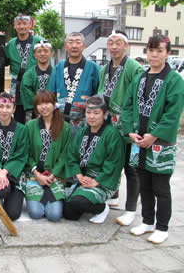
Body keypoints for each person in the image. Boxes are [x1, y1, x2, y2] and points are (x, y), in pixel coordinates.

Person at [122, 35, 184, 244]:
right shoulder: (140, 77)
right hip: (138, 141)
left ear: (168, 53)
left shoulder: (174, 79)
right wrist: (130, 131)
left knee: (161, 187)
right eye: (151, 50)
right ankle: (147, 221)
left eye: (159, 51)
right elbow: (128, 106)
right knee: (144, 184)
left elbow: (172, 113)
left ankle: (162, 227)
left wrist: (154, 135)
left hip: (160, 143)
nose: (154, 55)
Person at [97, 30, 144, 222]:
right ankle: (113, 195)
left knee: (131, 167)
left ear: (126, 46)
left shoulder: (134, 68)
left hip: (130, 125)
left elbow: (140, 98)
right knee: (112, 161)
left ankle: (131, 209)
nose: (114, 47)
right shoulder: (104, 69)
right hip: (109, 124)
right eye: (111, 43)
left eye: (118, 43)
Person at [64, 95, 125, 223]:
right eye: (88, 112)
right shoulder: (83, 132)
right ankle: (84, 200)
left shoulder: (112, 135)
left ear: (105, 114)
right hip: (83, 178)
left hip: (102, 181)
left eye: (96, 113)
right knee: (68, 213)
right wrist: (79, 176)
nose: (91, 116)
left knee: (77, 202)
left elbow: (114, 163)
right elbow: (72, 155)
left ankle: (101, 208)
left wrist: (96, 181)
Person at [24, 90, 71, 221]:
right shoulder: (30, 126)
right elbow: (26, 152)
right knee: (35, 213)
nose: (43, 107)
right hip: (35, 175)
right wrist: (36, 174)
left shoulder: (65, 127)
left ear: (54, 104)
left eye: (47, 103)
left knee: (54, 215)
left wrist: (53, 174)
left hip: (54, 176)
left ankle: (51, 200)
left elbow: (65, 154)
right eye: (39, 104)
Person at [0, 92, 28, 221]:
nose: (4, 110)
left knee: (13, 215)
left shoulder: (22, 129)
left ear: (13, 108)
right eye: (1, 106)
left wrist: (5, 172)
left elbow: (21, 154)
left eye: (8, 107)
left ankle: (11, 192)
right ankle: (5, 191)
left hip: (15, 175)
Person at [49, 32, 100, 136]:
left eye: (78, 42)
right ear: (66, 46)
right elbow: (51, 94)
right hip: (61, 120)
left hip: (85, 121)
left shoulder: (93, 68)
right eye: (71, 42)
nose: (74, 46)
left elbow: (98, 94)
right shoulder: (59, 67)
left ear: (84, 46)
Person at [5, 13, 43, 124]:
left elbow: (46, 63)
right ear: (14, 25)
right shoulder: (11, 44)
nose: (22, 26)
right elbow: (5, 61)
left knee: (37, 117)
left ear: (30, 25)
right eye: (19, 24)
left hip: (34, 84)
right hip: (17, 85)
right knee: (18, 117)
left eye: (25, 23)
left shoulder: (38, 41)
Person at [21, 39, 53, 122]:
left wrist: (49, 105)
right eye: (39, 51)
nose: (42, 54)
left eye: (46, 51)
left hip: (52, 110)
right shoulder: (28, 74)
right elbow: (26, 92)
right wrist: (40, 105)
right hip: (33, 111)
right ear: (34, 55)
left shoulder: (57, 73)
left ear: (51, 54)